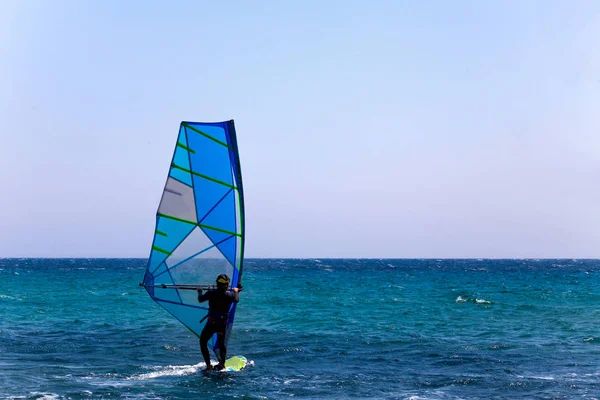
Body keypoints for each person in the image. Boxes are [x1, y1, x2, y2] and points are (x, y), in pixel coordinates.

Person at [197, 274, 240, 371]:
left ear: (217, 283)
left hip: (211, 323)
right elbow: (236, 299)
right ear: (227, 284)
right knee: (221, 344)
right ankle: (222, 364)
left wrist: (200, 291)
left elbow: (200, 299)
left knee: (203, 342)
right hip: (222, 324)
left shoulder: (211, 293)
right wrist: (236, 291)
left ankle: (208, 366)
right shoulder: (230, 295)